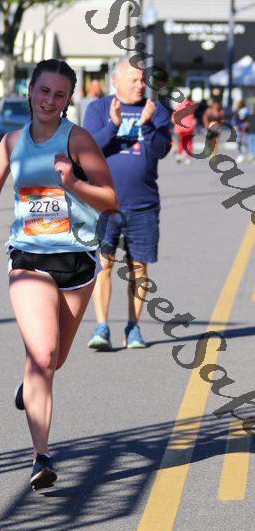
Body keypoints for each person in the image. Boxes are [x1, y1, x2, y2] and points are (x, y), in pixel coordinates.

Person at [0, 59, 118, 491]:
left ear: (68, 99)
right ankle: (41, 456)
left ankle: (30, 385)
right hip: (28, 257)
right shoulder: (12, 141)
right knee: (42, 355)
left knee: (54, 360)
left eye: (59, 94)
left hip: (76, 261)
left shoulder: (78, 140)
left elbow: (109, 199)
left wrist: (73, 183)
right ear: (30, 91)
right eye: (43, 91)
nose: (49, 101)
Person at [83, 57, 172, 351]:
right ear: (116, 81)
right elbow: (88, 148)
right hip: (104, 203)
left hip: (143, 204)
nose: (140, 85)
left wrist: (147, 126)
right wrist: (113, 124)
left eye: (143, 80)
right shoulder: (98, 108)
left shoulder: (156, 110)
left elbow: (161, 150)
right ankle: (101, 326)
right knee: (104, 264)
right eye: (133, 80)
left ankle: (133, 328)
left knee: (139, 268)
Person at [172, 96, 196, 165]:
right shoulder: (191, 105)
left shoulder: (178, 106)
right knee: (189, 142)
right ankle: (187, 158)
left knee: (181, 141)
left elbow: (173, 118)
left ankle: (179, 155)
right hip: (189, 127)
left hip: (180, 128)